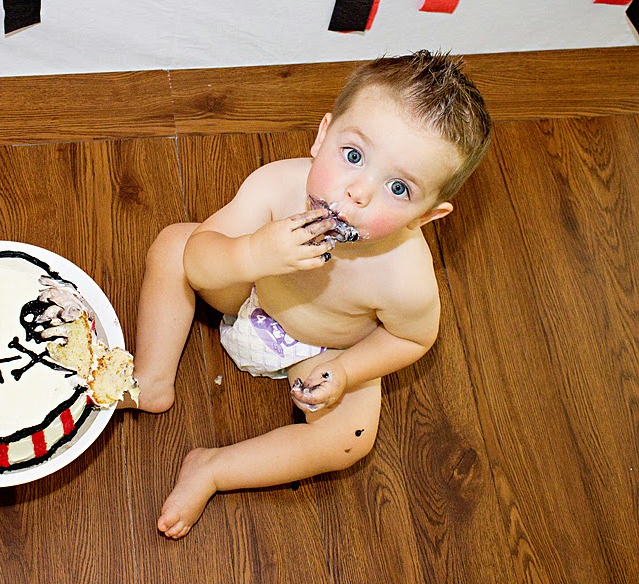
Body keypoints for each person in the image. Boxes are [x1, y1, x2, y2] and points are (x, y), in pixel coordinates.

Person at [121, 50, 492, 539]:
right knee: (176, 243)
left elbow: (413, 339)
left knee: (350, 439)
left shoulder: (405, 278)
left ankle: (214, 469)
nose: (358, 192)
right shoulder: (276, 185)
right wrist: (252, 254)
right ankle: (150, 379)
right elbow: (199, 260)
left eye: (398, 188)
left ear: (426, 216)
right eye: (353, 156)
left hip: (320, 348)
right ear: (322, 135)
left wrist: (346, 371)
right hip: (249, 293)